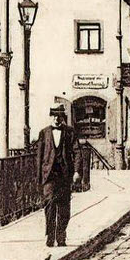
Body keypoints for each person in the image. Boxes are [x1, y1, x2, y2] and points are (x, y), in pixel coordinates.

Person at [37, 104, 76, 248]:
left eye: (59, 115)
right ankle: (50, 235)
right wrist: (39, 177)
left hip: (64, 175)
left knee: (64, 207)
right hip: (49, 175)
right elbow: (39, 157)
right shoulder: (44, 133)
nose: (56, 118)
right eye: (54, 115)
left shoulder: (70, 132)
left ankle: (61, 236)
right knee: (49, 205)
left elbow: (77, 151)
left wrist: (77, 171)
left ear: (63, 117)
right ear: (50, 117)